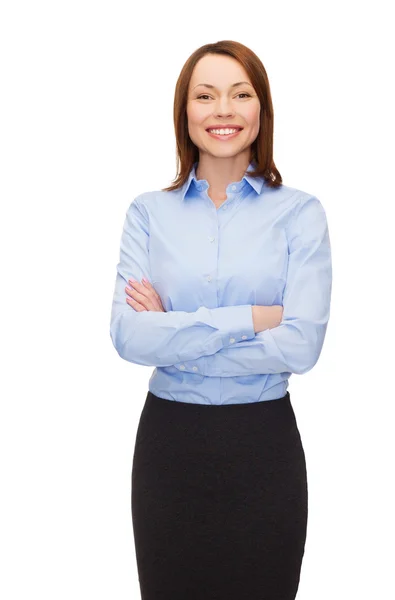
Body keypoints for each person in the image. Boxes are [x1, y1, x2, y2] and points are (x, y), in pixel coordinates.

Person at [110, 39, 332, 600]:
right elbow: (130, 335)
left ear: (263, 109)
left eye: (240, 94)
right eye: (205, 96)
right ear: (185, 112)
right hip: (170, 450)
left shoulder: (300, 214)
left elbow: (301, 347)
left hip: (263, 450)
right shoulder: (148, 214)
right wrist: (255, 318)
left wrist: (177, 332)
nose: (223, 110)